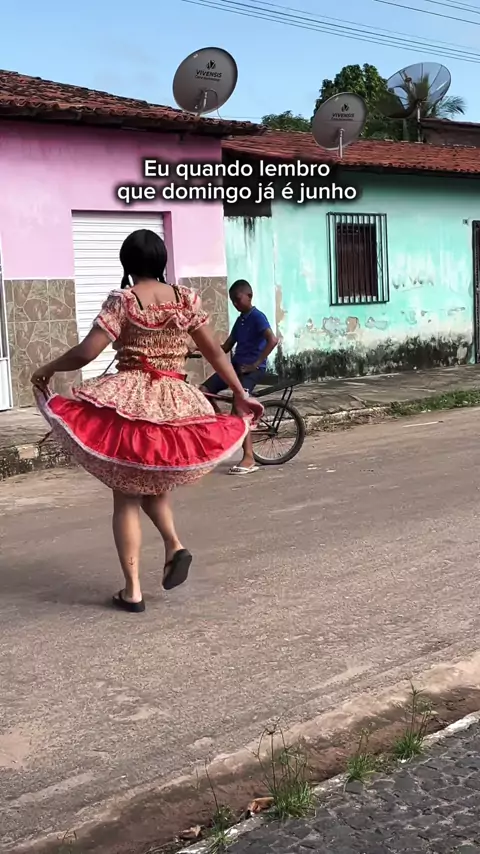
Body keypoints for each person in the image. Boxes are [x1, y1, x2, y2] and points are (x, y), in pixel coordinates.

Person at [31, 229, 263, 614]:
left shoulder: (124, 300)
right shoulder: (185, 299)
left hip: (130, 402)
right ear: (161, 261)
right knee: (153, 483)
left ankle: (133, 590)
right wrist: (239, 392)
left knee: (125, 495)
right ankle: (174, 545)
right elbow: (215, 353)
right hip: (175, 403)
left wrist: (48, 368)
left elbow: (87, 352)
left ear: (127, 263)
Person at [200, 280, 278, 475]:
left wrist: (255, 363)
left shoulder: (257, 317)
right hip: (235, 367)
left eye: (238, 299)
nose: (235, 304)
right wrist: (199, 348)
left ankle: (249, 458)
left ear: (249, 296)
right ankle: (224, 427)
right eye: (232, 301)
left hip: (251, 370)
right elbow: (226, 347)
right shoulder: (241, 320)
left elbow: (272, 340)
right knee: (203, 391)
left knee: (240, 405)